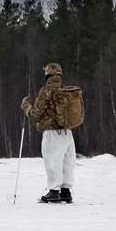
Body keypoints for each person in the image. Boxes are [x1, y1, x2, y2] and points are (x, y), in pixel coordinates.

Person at [22, 62, 75, 204]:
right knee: (66, 162)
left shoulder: (46, 91)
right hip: (67, 132)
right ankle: (66, 191)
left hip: (52, 132)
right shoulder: (66, 90)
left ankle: (54, 191)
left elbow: (36, 114)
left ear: (48, 75)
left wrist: (26, 107)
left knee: (52, 161)